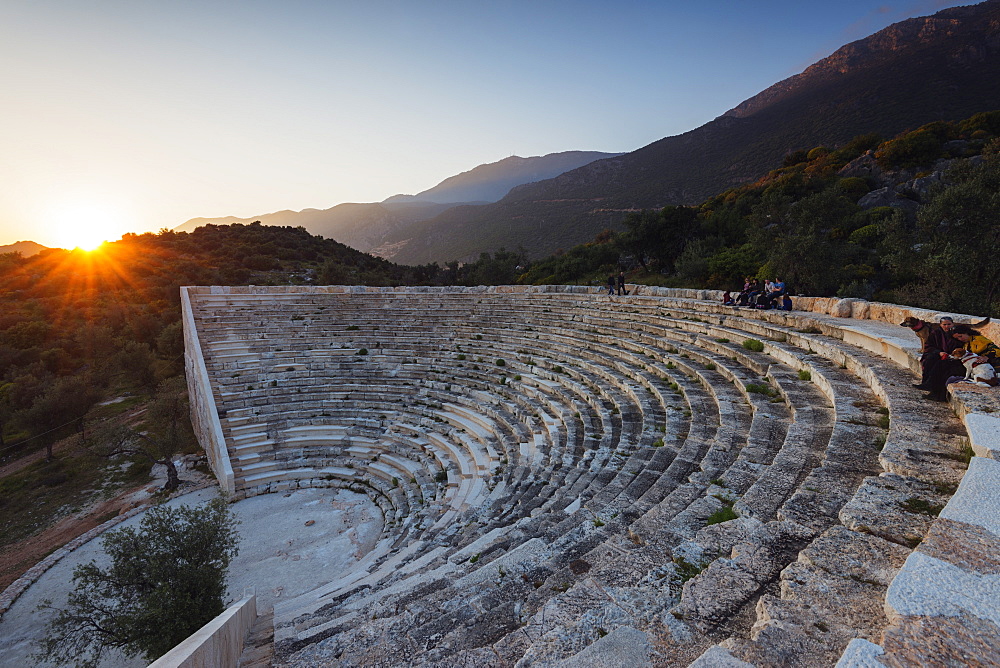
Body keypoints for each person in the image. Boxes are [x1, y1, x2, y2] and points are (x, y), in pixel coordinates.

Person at [901, 316, 960, 390]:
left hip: (953, 355)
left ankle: (931, 385)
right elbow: (929, 345)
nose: (947, 326)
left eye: (949, 324)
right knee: (929, 359)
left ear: (952, 324)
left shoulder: (956, 333)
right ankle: (925, 383)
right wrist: (939, 352)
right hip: (938, 353)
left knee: (939, 364)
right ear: (940, 325)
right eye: (944, 325)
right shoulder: (936, 333)